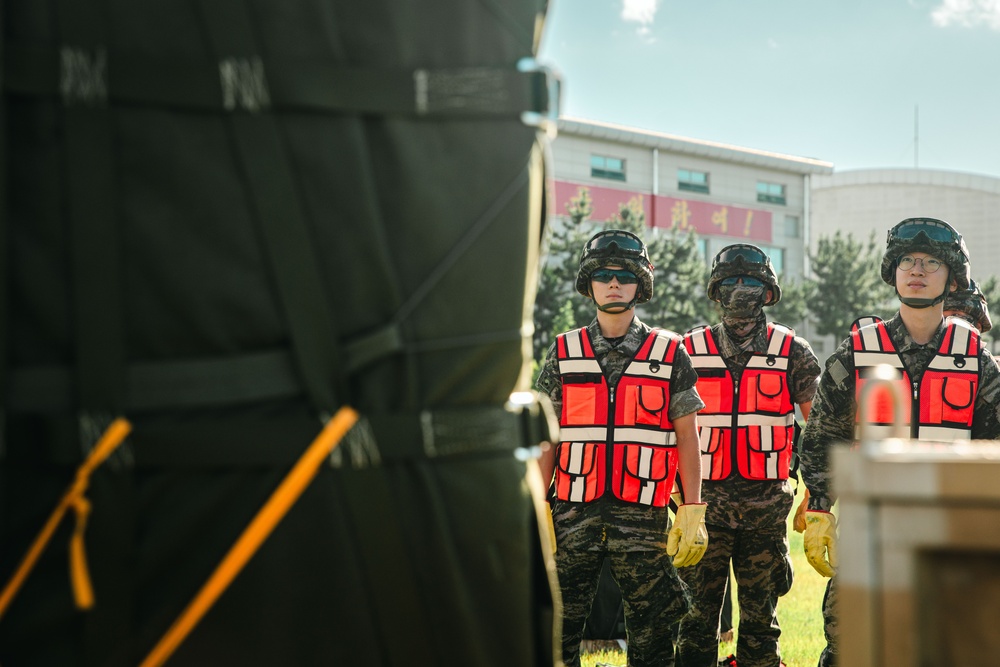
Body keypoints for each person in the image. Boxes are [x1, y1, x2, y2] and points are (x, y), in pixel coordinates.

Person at [798, 217, 1000, 667]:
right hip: (870, 529)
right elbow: (821, 440)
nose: (918, 270)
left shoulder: (976, 361)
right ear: (893, 269)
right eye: (908, 260)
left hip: (952, 532)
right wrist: (818, 509)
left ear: (952, 276)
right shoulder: (856, 353)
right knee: (851, 646)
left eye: (931, 262)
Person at [536, 228, 709, 667]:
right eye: (604, 275)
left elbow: (687, 436)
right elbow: (546, 441)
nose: (614, 283)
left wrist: (692, 508)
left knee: (653, 640)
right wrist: (537, 506)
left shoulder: (669, 353)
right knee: (556, 633)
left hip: (644, 521)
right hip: (572, 515)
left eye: (624, 275)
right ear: (588, 282)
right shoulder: (563, 352)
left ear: (641, 284)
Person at [676, 243, 821, 667]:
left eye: (752, 281)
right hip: (703, 511)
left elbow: (820, 429)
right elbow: (669, 432)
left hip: (766, 512)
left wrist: (817, 492)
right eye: (731, 282)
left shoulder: (792, 350)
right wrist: (678, 501)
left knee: (761, 623)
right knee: (695, 621)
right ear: (715, 291)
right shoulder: (687, 349)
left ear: (769, 291)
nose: (741, 290)